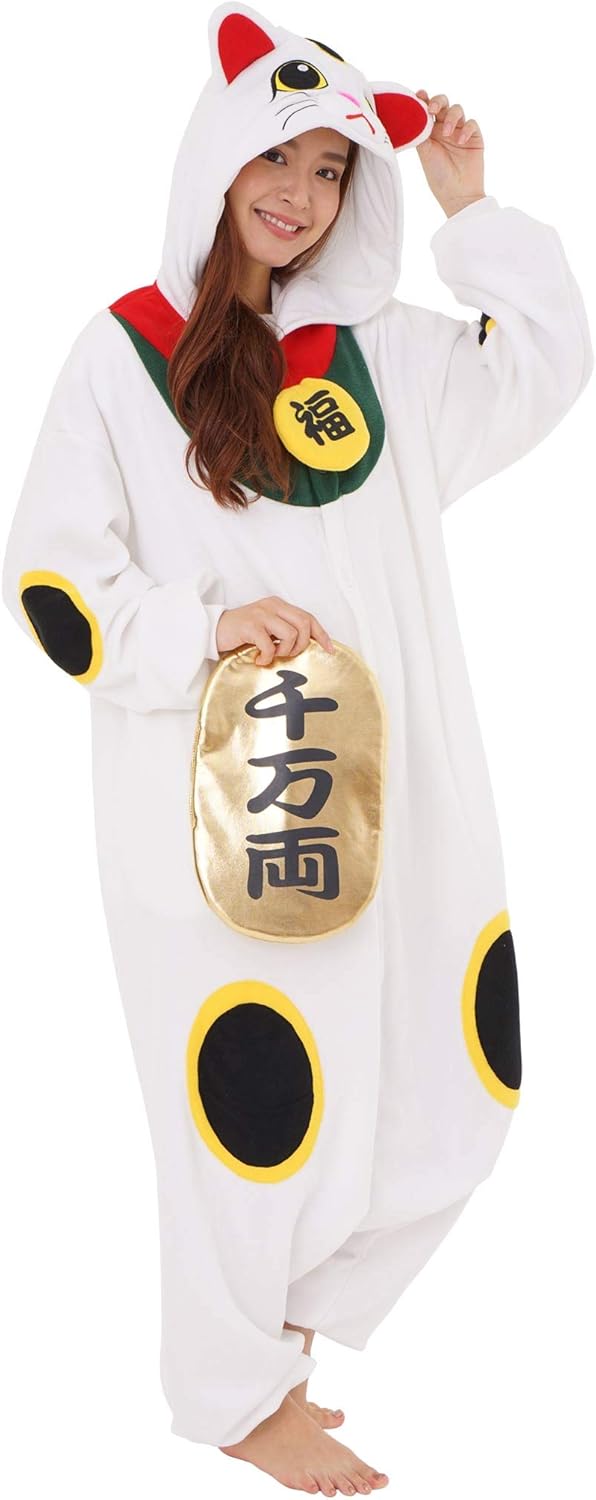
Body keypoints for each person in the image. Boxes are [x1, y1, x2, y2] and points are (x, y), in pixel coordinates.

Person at [2, 2, 593, 1494]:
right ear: (220, 155)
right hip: (215, 787)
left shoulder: (376, 352)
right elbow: (56, 583)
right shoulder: (122, 357)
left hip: (395, 777)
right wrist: (204, 630)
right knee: (252, 1093)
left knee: (455, 1076)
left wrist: (470, 214)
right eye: (282, 156)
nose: (303, 194)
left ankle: (281, 1331)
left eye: (334, 170)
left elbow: (543, 366)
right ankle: (230, 1390)